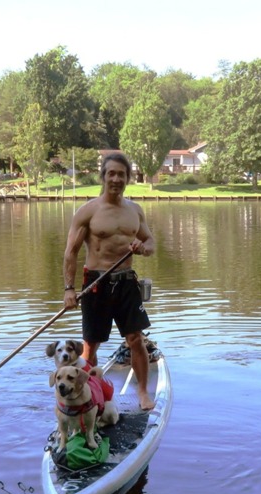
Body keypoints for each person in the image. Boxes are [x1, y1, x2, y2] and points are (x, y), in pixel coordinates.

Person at [62, 151, 156, 411]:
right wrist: (69, 289)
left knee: (135, 339)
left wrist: (143, 247)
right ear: (103, 177)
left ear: (128, 179)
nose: (116, 179)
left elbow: (150, 242)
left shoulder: (135, 211)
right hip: (95, 283)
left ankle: (142, 392)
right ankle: (85, 395)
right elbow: (71, 252)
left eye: (121, 174)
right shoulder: (88, 211)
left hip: (126, 281)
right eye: (111, 173)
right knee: (91, 344)